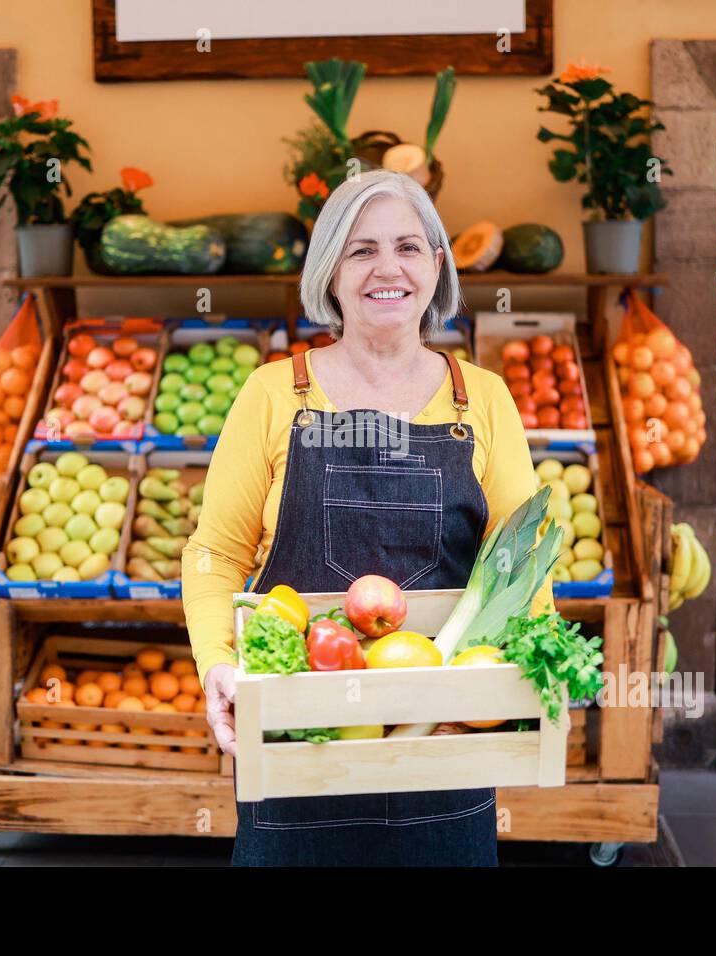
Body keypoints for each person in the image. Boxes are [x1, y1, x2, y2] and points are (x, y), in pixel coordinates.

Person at [183, 169, 551, 866]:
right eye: (362, 250)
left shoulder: (487, 399)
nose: (389, 268)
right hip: (299, 745)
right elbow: (214, 553)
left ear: (437, 267)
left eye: (410, 247)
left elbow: (522, 563)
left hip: (442, 747)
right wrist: (217, 666)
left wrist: (532, 668)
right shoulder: (272, 393)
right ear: (330, 273)